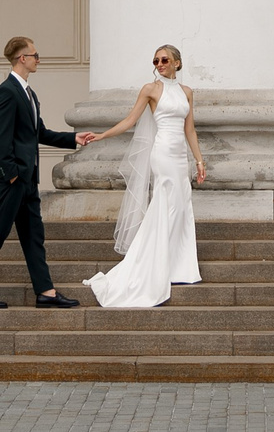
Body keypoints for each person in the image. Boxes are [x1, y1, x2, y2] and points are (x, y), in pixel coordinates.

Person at [0, 36, 97, 309]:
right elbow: (1, 136)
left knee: (33, 235)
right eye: (35, 55)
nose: (39, 59)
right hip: (14, 179)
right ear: (22, 58)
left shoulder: (29, 93)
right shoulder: (6, 91)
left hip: (27, 178)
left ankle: (46, 292)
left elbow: (39, 133)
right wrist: (12, 173)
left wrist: (73, 138)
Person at [80, 44, 208, 310]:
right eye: (156, 61)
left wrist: (199, 161)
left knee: (181, 206)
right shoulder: (150, 90)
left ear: (177, 63)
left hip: (179, 156)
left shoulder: (187, 92)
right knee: (166, 205)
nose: (159, 64)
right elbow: (130, 121)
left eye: (164, 60)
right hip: (162, 154)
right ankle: (155, 264)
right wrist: (102, 135)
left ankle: (178, 267)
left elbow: (190, 130)